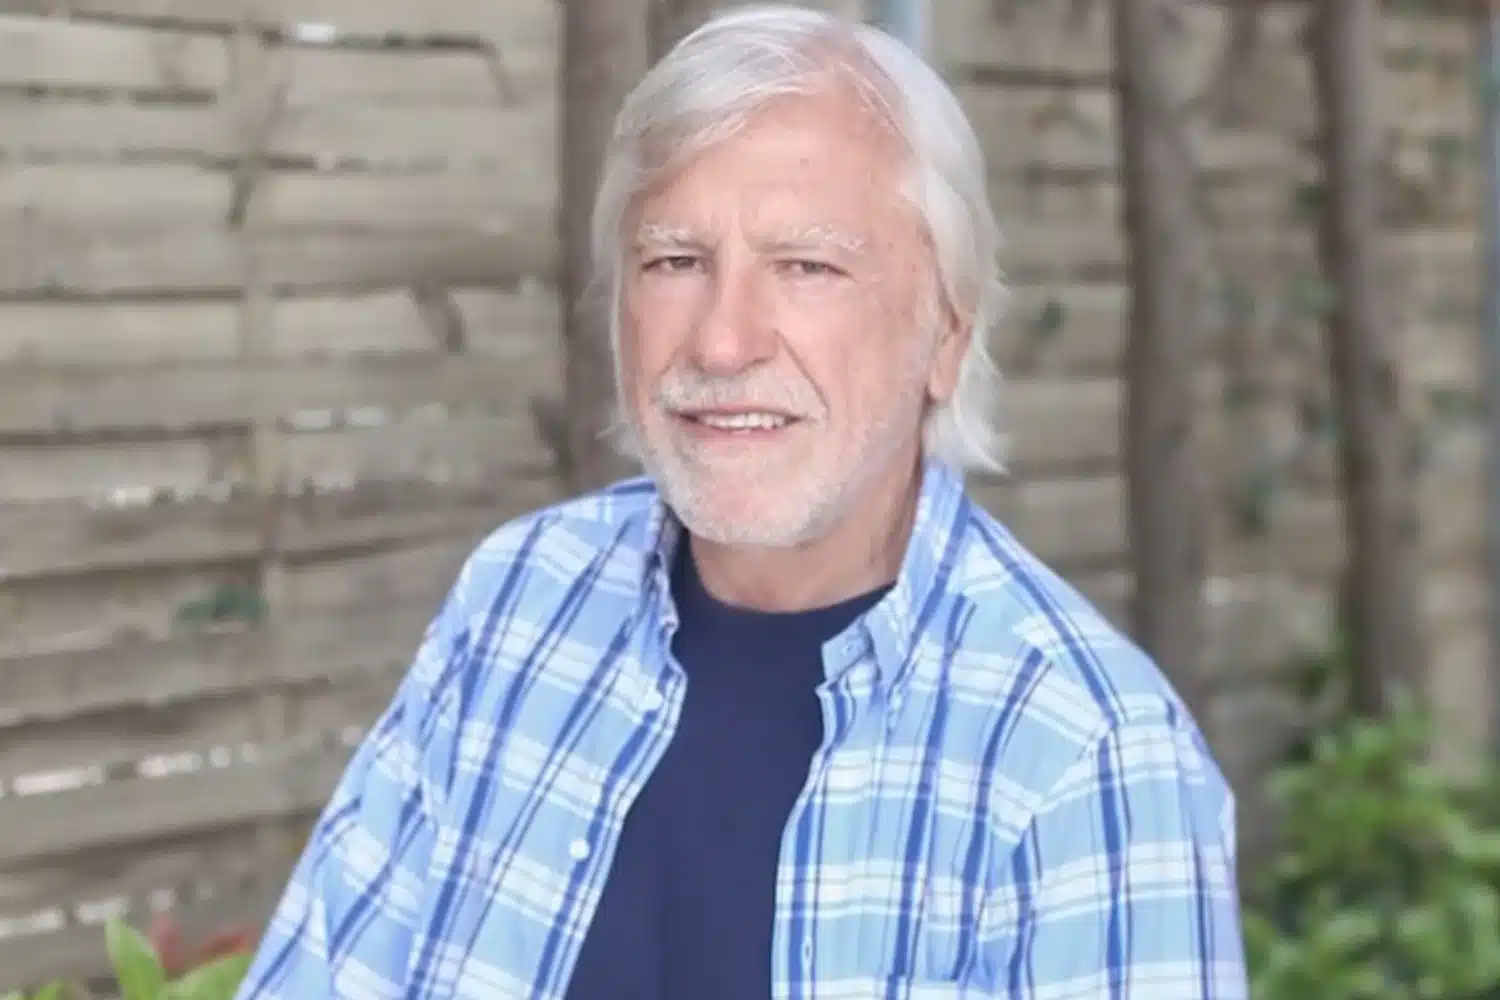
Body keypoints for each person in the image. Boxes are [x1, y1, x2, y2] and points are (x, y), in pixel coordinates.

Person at [234, 5, 1247, 999]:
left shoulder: (1086, 754)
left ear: (946, 333)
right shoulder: (517, 602)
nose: (723, 342)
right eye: (676, 261)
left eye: (806, 266)